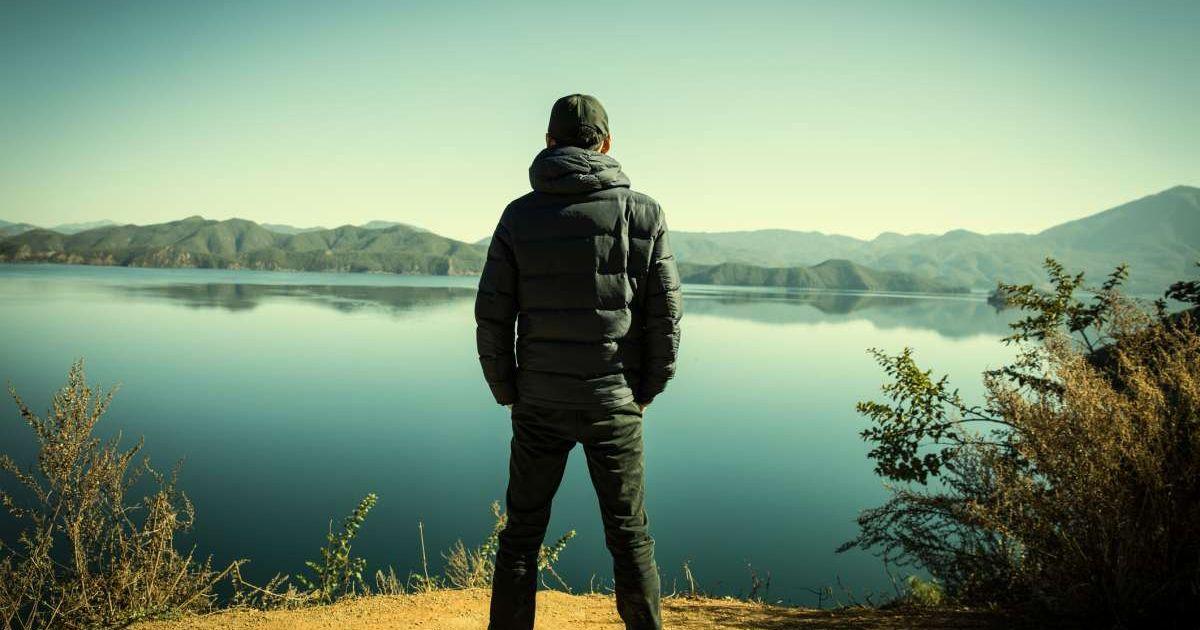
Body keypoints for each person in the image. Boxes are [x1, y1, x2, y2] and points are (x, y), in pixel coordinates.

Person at [475, 93, 682, 630]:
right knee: (630, 535)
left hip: (539, 404)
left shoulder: (518, 216)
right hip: (613, 403)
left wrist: (508, 390)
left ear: (548, 143)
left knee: (521, 534)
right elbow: (665, 319)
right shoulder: (645, 213)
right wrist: (646, 390)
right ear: (607, 144)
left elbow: (492, 316)